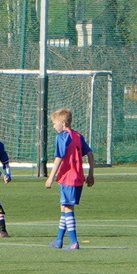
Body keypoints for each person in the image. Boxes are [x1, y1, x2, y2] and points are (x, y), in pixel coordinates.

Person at [47, 107, 92, 249]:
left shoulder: (62, 137)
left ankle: (73, 242)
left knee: (68, 208)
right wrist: (91, 173)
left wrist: (50, 177)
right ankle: (59, 240)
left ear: (63, 124)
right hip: (78, 177)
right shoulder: (78, 136)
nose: (54, 126)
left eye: (55, 124)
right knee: (64, 206)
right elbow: (90, 154)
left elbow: (59, 157)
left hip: (68, 177)